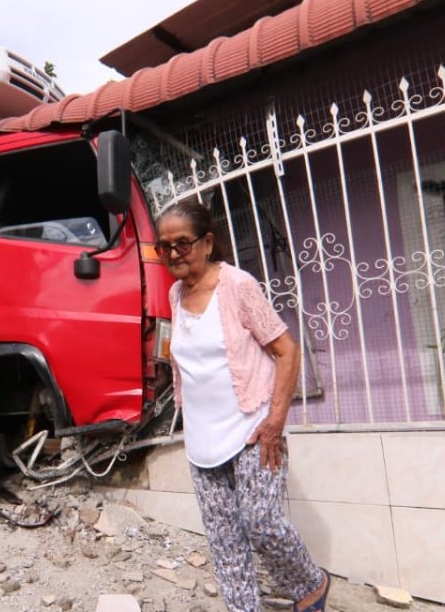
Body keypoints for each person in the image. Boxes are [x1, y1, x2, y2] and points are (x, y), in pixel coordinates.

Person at [157, 200, 330, 612]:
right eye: (165, 246)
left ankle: (311, 585)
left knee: (262, 522)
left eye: (183, 243)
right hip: (202, 439)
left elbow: (287, 350)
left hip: (253, 429)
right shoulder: (175, 294)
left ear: (208, 242)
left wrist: (275, 423)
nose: (174, 253)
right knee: (224, 540)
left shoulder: (237, 286)